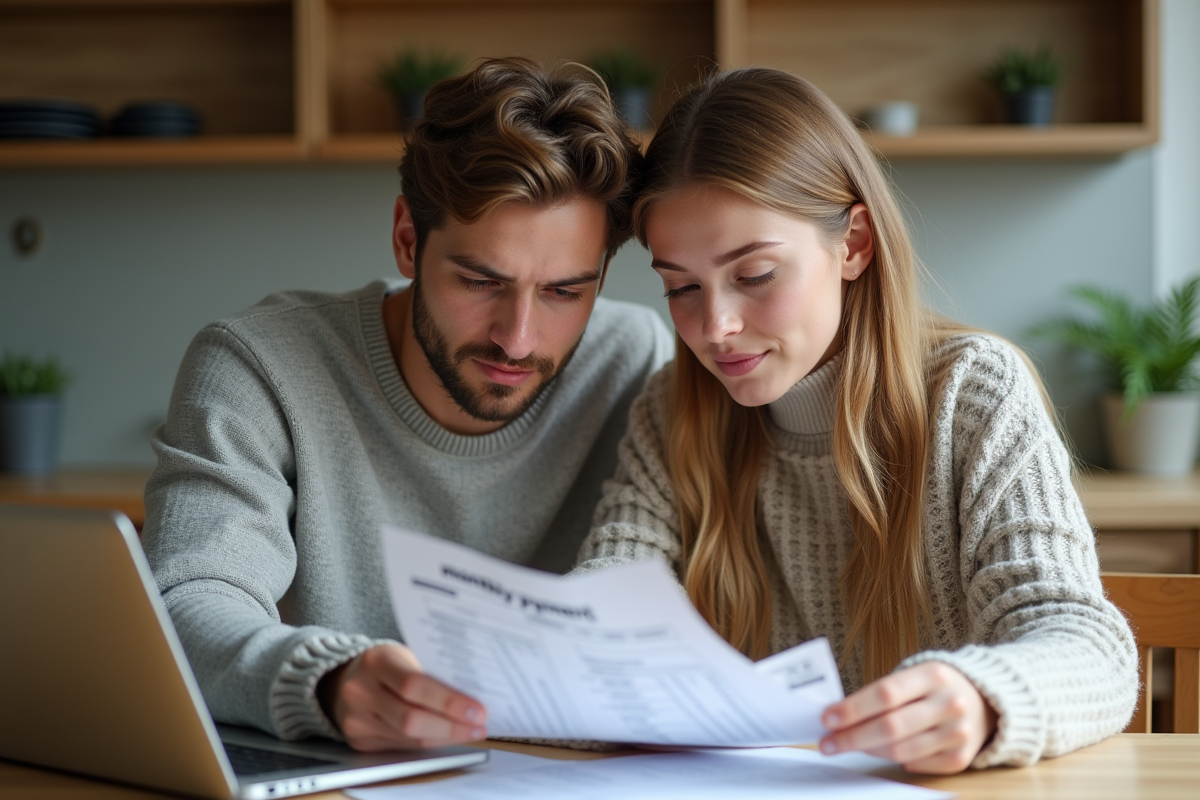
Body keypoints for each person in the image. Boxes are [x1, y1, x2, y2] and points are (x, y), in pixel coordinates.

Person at [575, 68, 1137, 773]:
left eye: (754, 275)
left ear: (855, 244)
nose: (714, 328)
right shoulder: (671, 410)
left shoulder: (973, 391)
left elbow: (1086, 643)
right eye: (681, 287)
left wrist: (984, 699)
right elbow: (603, 608)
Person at [142, 57, 673, 753]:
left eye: (564, 292)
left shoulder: (633, 361)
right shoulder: (257, 365)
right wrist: (324, 681)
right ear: (406, 240)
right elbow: (187, 602)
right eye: (480, 281)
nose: (517, 338)